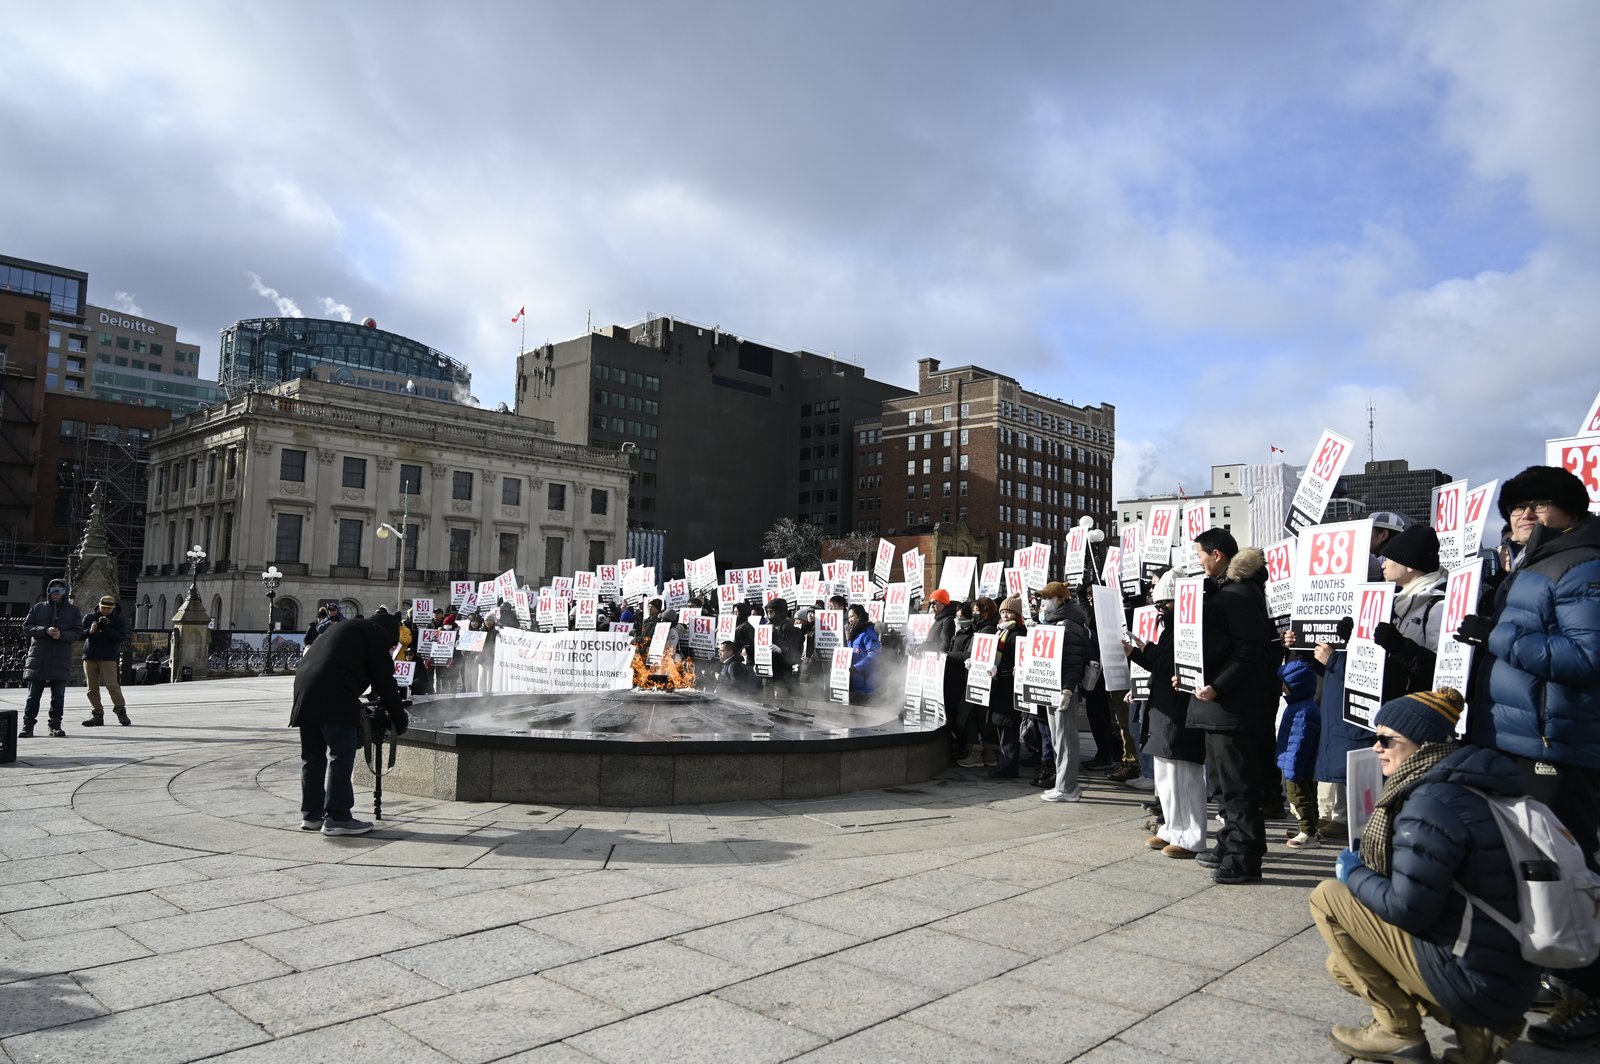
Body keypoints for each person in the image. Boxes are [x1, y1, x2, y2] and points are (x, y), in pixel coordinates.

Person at [1310, 689, 1538, 1064]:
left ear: (1422, 745)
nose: (1377, 747)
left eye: (1387, 739)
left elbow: (1409, 909)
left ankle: (1397, 1031)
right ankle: (1476, 1027)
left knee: (1328, 896)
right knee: (1343, 964)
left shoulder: (1431, 801)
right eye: (1375, 736)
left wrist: (1353, 874)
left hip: (1479, 976)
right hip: (1502, 971)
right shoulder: (1461, 782)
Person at [1460, 466, 1600, 1048]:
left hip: (1556, 747)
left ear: (1568, 512)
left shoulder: (1581, 565)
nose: (1524, 515)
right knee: (1530, 869)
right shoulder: (1528, 566)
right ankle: (1559, 969)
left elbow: (1585, 659)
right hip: (1519, 739)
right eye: (1516, 506)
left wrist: (1493, 634)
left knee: (1562, 873)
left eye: (1539, 504)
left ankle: (1588, 994)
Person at [1187, 530, 1282, 886]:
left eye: (1200, 554)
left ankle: (1244, 857)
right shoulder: (1232, 593)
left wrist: (1217, 685)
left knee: (1237, 785)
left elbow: (1249, 652)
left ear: (1216, 555)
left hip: (1232, 709)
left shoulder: (1237, 596)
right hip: (1222, 708)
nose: (1198, 561)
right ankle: (1231, 844)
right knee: (1225, 787)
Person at [290, 608, 409, 836]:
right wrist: (400, 720)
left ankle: (312, 816)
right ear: (389, 632)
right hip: (335, 694)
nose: (390, 648)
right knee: (340, 755)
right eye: (392, 644)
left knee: (312, 757)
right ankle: (338, 817)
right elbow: (385, 683)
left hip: (304, 692)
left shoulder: (347, 628)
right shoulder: (376, 634)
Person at [1127, 569, 1208, 857]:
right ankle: (1173, 827)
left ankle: (1191, 835)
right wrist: (1139, 653)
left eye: (1165, 604)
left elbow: (1170, 660)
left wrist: (1144, 650)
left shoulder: (1188, 625)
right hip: (1164, 705)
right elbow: (1162, 663)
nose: (1161, 610)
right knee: (1165, 774)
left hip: (1180, 708)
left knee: (1183, 775)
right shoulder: (1170, 626)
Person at [1371, 525, 1447, 696]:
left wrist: (1400, 646)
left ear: (1409, 565)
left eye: (1389, 558)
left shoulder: (1438, 607)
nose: (1383, 564)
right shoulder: (1405, 603)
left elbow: (1443, 672)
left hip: (1418, 708)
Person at [1035, 581, 1093, 803]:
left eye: (1047, 598)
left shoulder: (1068, 626)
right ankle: (1063, 784)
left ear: (1060, 599)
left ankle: (1068, 787)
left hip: (1062, 688)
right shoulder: (1057, 623)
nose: (1043, 602)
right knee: (1059, 738)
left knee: (1065, 738)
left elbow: (1073, 662)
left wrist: (1068, 689)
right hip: (1052, 687)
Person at [21, 579, 85, 738]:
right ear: (48, 591)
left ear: (66, 592)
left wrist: (62, 635)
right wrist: (44, 630)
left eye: (60, 590)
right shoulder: (38, 608)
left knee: (58, 695)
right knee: (33, 695)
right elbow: (26, 627)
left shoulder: (73, 611)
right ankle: (28, 725)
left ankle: (55, 725)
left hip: (60, 657)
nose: (56, 592)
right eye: (53, 589)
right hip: (39, 657)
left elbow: (78, 632)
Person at [1277, 659, 1322, 848]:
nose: (1282, 689)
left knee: (1298, 798)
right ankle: (1311, 828)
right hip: (1301, 764)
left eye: (1285, 685)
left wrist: (1292, 769)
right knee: (1309, 797)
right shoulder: (1302, 706)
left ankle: (1307, 833)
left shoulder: (1302, 711)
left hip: (1296, 765)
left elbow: (1298, 742)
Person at [988, 596, 1027, 778]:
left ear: (1017, 615)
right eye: (1003, 612)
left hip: (1008, 688)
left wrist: (999, 670)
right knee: (1002, 728)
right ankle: (1003, 764)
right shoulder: (1001, 632)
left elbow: (1015, 663)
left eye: (1009, 612)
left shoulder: (1018, 634)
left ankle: (1007, 767)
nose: (1005, 615)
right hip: (999, 686)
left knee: (1008, 729)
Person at [81, 594, 131, 727]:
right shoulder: (90, 617)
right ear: (99, 606)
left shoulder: (118, 620)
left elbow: (120, 637)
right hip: (90, 655)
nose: (105, 611)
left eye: (108, 609)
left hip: (108, 656)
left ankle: (121, 711)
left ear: (113, 608)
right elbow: (80, 634)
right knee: (91, 688)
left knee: (112, 685)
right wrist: (90, 631)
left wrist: (108, 628)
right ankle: (97, 714)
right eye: (103, 608)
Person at [846, 603, 880, 700]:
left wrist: (857, 667)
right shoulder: (852, 633)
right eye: (849, 617)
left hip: (867, 682)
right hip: (854, 681)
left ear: (860, 616)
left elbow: (874, 653)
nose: (850, 619)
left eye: (853, 616)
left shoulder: (868, 632)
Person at [1368, 511, 1414, 581]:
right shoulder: (1402, 558)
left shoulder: (1373, 562)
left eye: (1368, 531)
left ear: (1384, 535)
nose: (1364, 535)